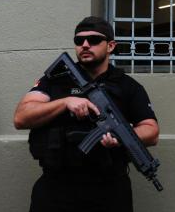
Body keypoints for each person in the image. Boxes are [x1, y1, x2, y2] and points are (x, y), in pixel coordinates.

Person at [13, 16, 159, 212]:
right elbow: (21, 117)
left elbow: (152, 131)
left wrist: (119, 137)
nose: (85, 45)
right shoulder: (55, 80)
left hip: (108, 190)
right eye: (79, 41)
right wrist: (65, 102)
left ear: (110, 46)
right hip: (56, 189)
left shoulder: (127, 86)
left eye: (94, 40)